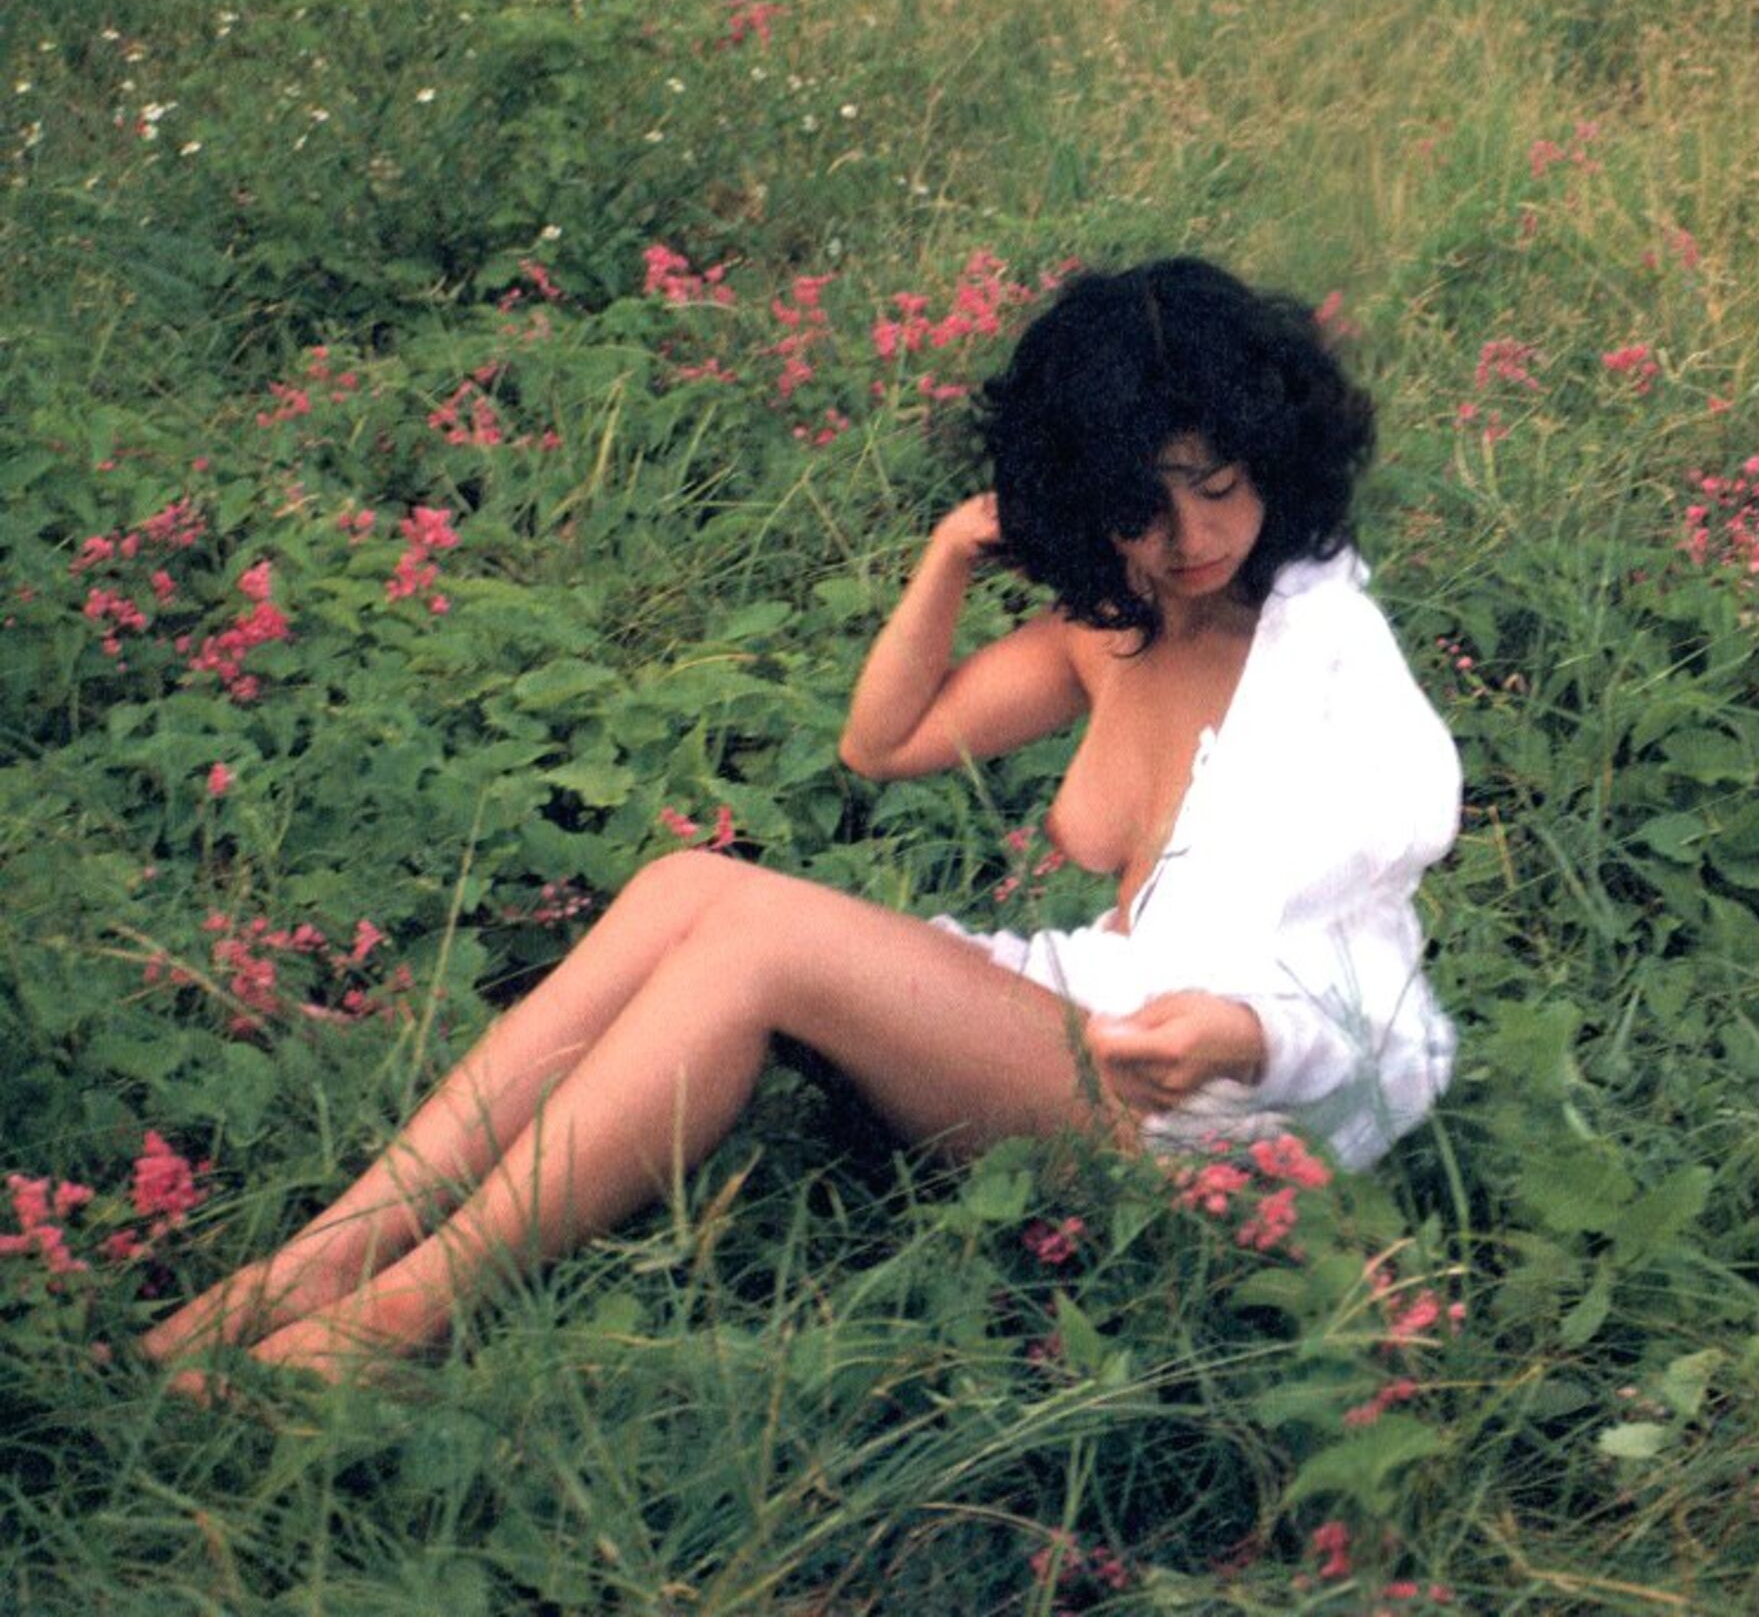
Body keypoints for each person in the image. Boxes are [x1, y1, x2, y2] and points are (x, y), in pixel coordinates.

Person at [141, 256, 1461, 1384]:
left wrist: (1249, 1036)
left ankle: (403, 1315)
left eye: (1217, 485)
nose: (1188, 538)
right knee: (683, 886)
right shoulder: (1117, 628)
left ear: (1274, 454)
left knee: (759, 942)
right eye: (1138, 507)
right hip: (1091, 1025)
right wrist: (949, 556)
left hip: (1204, 1122)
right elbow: (882, 744)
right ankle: (329, 1254)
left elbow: (1381, 988)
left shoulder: (1328, 663)